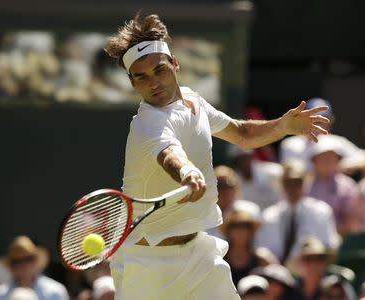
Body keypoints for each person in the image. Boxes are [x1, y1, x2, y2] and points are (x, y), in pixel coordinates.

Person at [104, 13, 330, 300]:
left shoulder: (193, 101)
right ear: (133, 83)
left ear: (175, 64)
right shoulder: (147, 123)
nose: (153, 82)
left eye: (159, 70)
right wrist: (186, 172)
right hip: (149, 263)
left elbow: (243, 134)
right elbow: (169, 153)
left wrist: (283, 126)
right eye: (142, 77)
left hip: (197, 251)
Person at [255, 160, 339, 264]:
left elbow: (328, 247)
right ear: (281, 183)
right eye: (288, 182)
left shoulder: (321, 212)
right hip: (274, 274)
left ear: (306, 182)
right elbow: (261, 250)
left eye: (298, 182)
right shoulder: (268, 216)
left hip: (310, 272)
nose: (293, 187)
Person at [280, 98, 365, 173]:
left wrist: (339, 165)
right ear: (303, 121)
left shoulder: (337, 141)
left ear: (330, 122)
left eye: (323, 121)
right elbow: (288, 174)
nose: (318, 125)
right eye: (314, 120)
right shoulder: (290, 145)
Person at [306, 135, 361, 235]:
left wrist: (331, 236)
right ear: (314, 160)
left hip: (340, 242)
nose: (327, 161)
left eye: (331, 158)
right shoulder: (304, 185)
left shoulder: (348, 186)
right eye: (323, 157)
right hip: (308, 240)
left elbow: (351, 221)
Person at [0, 236, 69, 300]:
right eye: (17, 261)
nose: (24, 265)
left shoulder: (56, 291)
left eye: (28, 259)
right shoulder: (0, 294)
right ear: (11, 267)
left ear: (36, 261)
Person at [221, 202, 268, 285]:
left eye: (245, 226)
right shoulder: (220, 258)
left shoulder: (262, 259)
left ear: (250, 232)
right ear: (229, 232)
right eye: (235, 226)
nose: (240, 231)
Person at [228, 144, 283, 210]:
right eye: (240, 160)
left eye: (246, 158)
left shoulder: (274, 172)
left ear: (251, 157)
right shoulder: (233, 182)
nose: (243, 163)